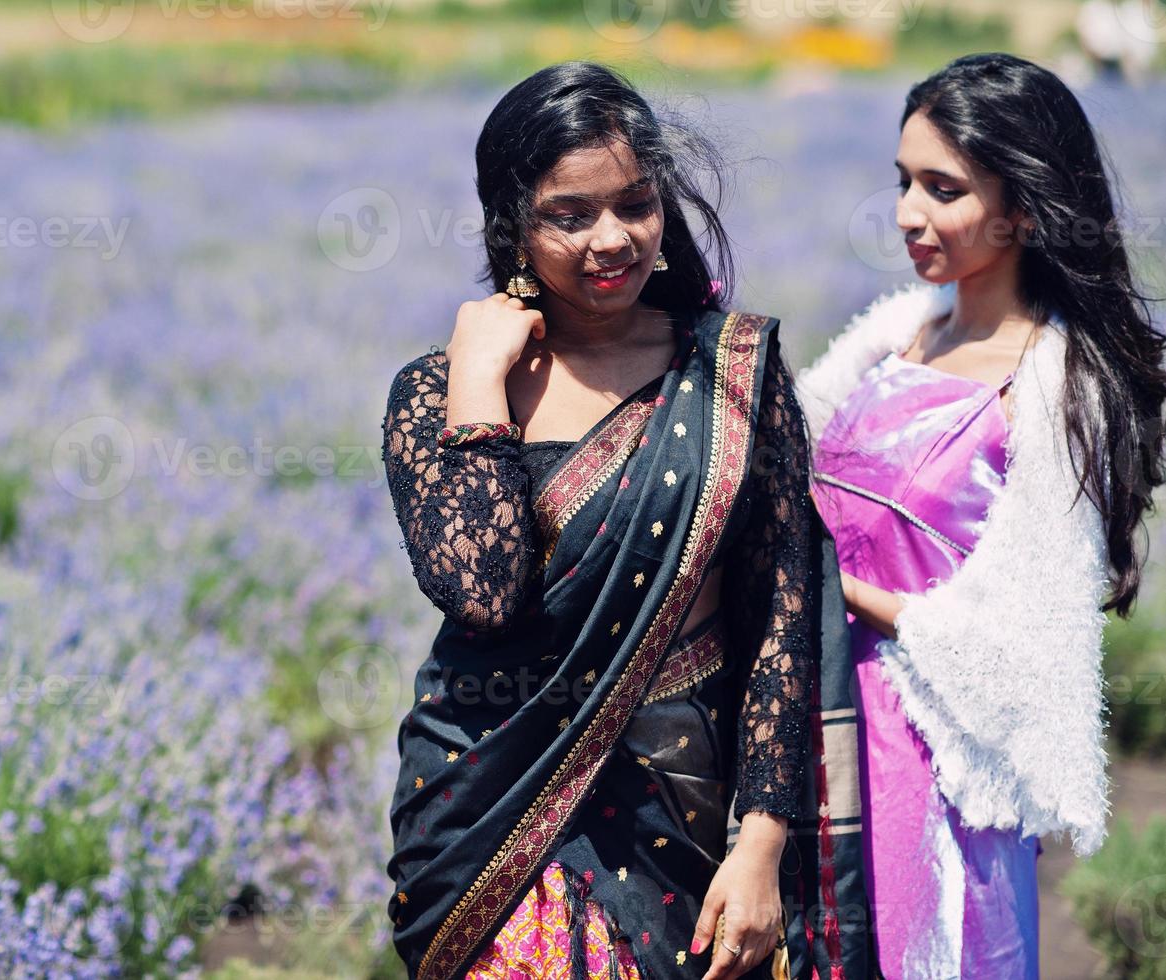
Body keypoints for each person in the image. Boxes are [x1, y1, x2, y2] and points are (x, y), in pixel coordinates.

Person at [380, 61, 872, 980]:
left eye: (635, 204)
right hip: (491, 807)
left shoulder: (731, 374)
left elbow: (780, 610)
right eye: (569, 214)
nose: (612, 239)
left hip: (682, 800)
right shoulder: (435, 393)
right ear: (511, 224)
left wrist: (762, 841)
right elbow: (485, 597)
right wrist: (480, 387)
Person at [796, 52, 1166, 979]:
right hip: (817, 724)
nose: (906, 213)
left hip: (933, 758)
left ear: (1024, 210)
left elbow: (1024, 638)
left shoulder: (1050, 384)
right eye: (902, 181)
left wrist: (840, 591)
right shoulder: (895, 337)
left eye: (941, 188)